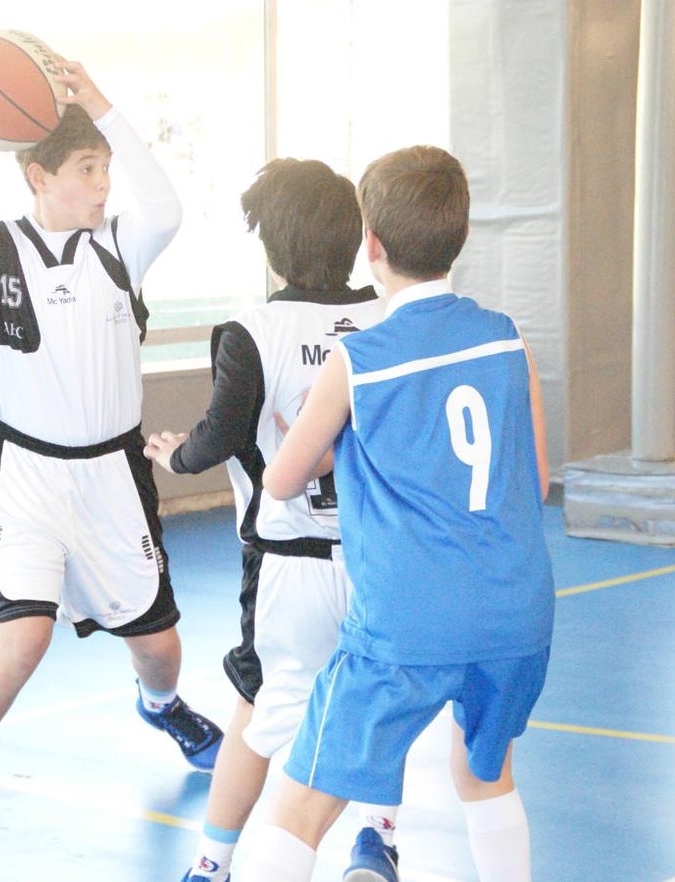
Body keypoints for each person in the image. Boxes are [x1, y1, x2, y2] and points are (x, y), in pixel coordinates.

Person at [0, 59, 223, 843]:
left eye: (106, 168)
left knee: (161, 647)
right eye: (86, 169)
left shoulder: (122, 247)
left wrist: (105, 110)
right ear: (38, 176)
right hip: (29, 476)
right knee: (24, 637)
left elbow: (168, 207)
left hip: (115, 475)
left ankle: (161, 705)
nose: (104, 184)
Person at [241, 145, 556, 882]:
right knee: (485, 778)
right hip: (516, 611)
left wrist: (328, 438)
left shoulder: (361, 360)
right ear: (460, 236)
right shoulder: (510, 339)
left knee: (299, 808)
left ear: (371, 245)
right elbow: (533, 481)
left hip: (408, 622)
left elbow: (283, 481)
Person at [143, 158, 401, 882]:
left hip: (291, 564)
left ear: (275, 244)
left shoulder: (252, 330)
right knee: (377, 701)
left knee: (255, 719)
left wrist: (176, 458)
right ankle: (376, 843)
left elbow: (219, 436)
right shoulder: (388, 319)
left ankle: (213, 864)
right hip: (384, 560)